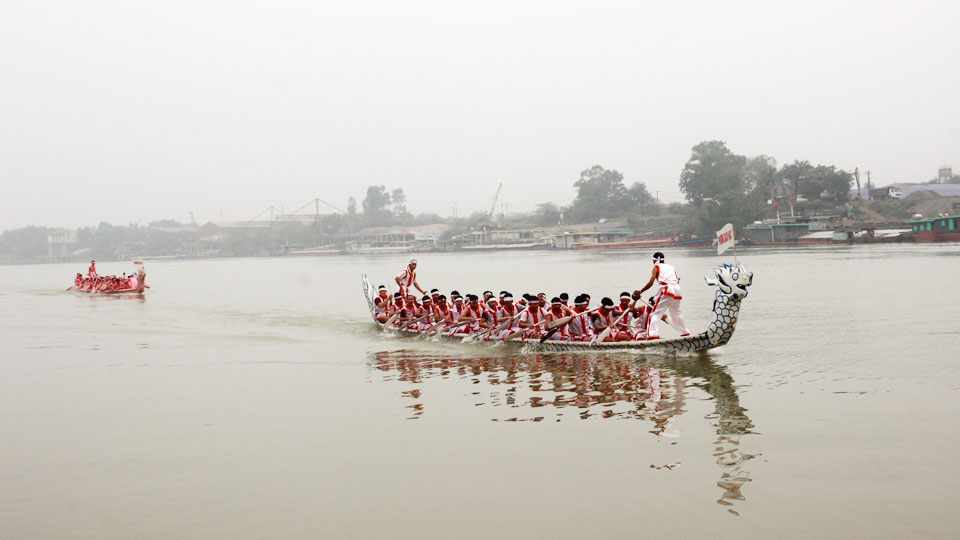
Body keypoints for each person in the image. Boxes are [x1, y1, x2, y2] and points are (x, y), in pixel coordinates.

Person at [635, 252, 690, 340]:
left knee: (655, 314)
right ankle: (685, 333)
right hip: (677, 290)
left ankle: (652, 336)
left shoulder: (656, 267)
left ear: (654, 260)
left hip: (667, 290)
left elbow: (651, 283)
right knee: (676, 312)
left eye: (653, 260)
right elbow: (676, 280)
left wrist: (640, 291)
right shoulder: (671, 267)